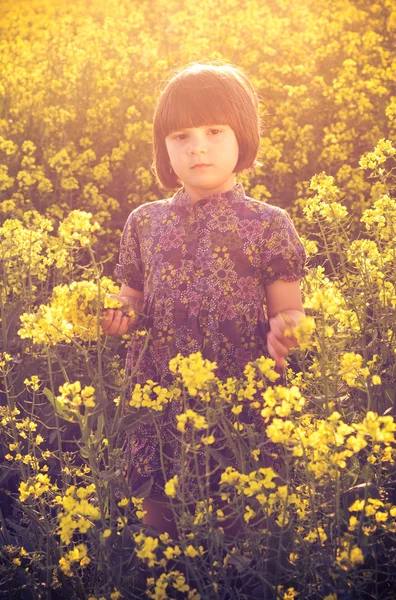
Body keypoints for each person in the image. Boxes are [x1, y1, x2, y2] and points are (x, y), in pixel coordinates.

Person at [101, 62, 307, 538]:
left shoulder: (268, 223)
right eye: (180, 136)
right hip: (160, 395)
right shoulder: (144, 222)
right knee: (161, 525)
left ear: (243, 137)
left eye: (215, 130)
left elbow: (289, 310)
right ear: (163, 150)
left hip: (241, 399)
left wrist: (288, 329)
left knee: (241, 527)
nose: (197, 146)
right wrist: (118, 316)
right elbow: (131, 296)